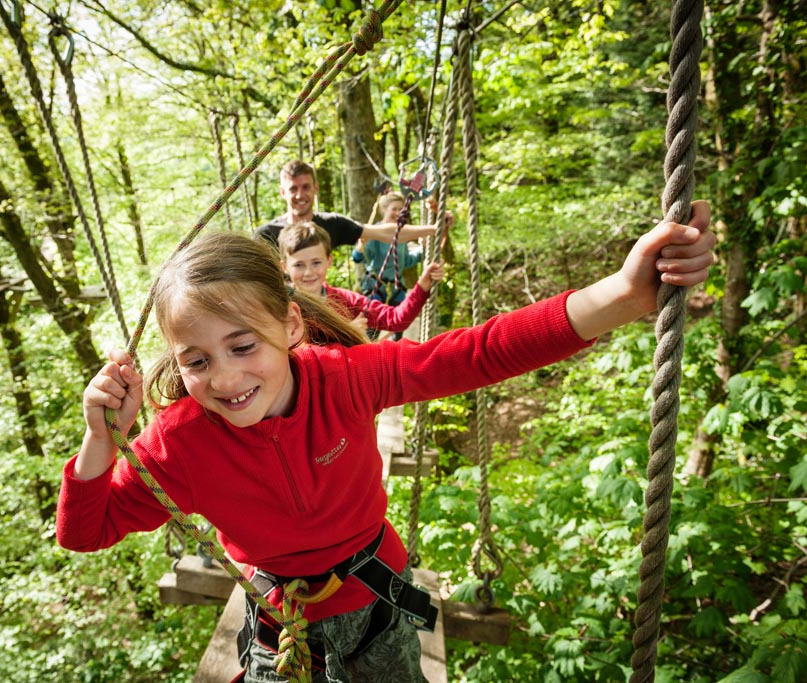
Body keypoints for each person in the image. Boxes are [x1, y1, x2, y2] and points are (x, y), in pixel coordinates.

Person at [57, 200, 715, 683]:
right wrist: (100, 441)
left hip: (375, 598)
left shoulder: (346, 379)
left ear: (291, 326)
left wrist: (621, 295)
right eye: (196, 361)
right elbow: (87, 531)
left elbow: (476, 353)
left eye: (243, 346)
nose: (225, 379)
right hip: (278, 621)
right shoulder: (180, 443)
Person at [279, 221, 444, 340]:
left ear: (329, 261)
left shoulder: (347, 300)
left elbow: (396, 319)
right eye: (299, 265)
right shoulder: (280, 307)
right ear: (284, 267)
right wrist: (345, 333)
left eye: (316, 263)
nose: (308, 272)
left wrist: (422, 286)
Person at [253, 159, 437, 251]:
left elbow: (384, 232)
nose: (300, 195)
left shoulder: (331, 224)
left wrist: (434, 229)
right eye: (293, 189)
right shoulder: (266, 235)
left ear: (316, 188)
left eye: (306, 187)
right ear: (283, 192)